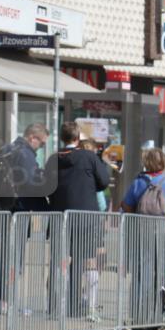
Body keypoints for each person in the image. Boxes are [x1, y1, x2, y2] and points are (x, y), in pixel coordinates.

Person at [43, 123, 111, 319]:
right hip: (85, 217)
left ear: (62, 137)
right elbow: (104, 181)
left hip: (60, 216)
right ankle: (73, 306)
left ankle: (53, 306)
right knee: (80, 261)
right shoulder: (88, 157)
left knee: (57, 261)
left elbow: (45, 187)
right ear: (77, 138)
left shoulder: (53, 159)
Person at [121, 148, 165, 330]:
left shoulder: (138, 182)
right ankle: (164, 314)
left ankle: (139, 315)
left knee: (142, 273)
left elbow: (126, 205)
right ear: (163, 163)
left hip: (143, 231)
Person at [0, 123, 50, 314]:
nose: (41, 147)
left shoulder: (6, 149)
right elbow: (30, 185)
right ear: (32, 137)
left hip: (3, 208)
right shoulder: (25, 154)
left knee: (6, 255)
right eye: (42, 143)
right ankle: (8, 303)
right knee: (14, 257)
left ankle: (2, 300)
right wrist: (46, 206)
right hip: (18, 210)